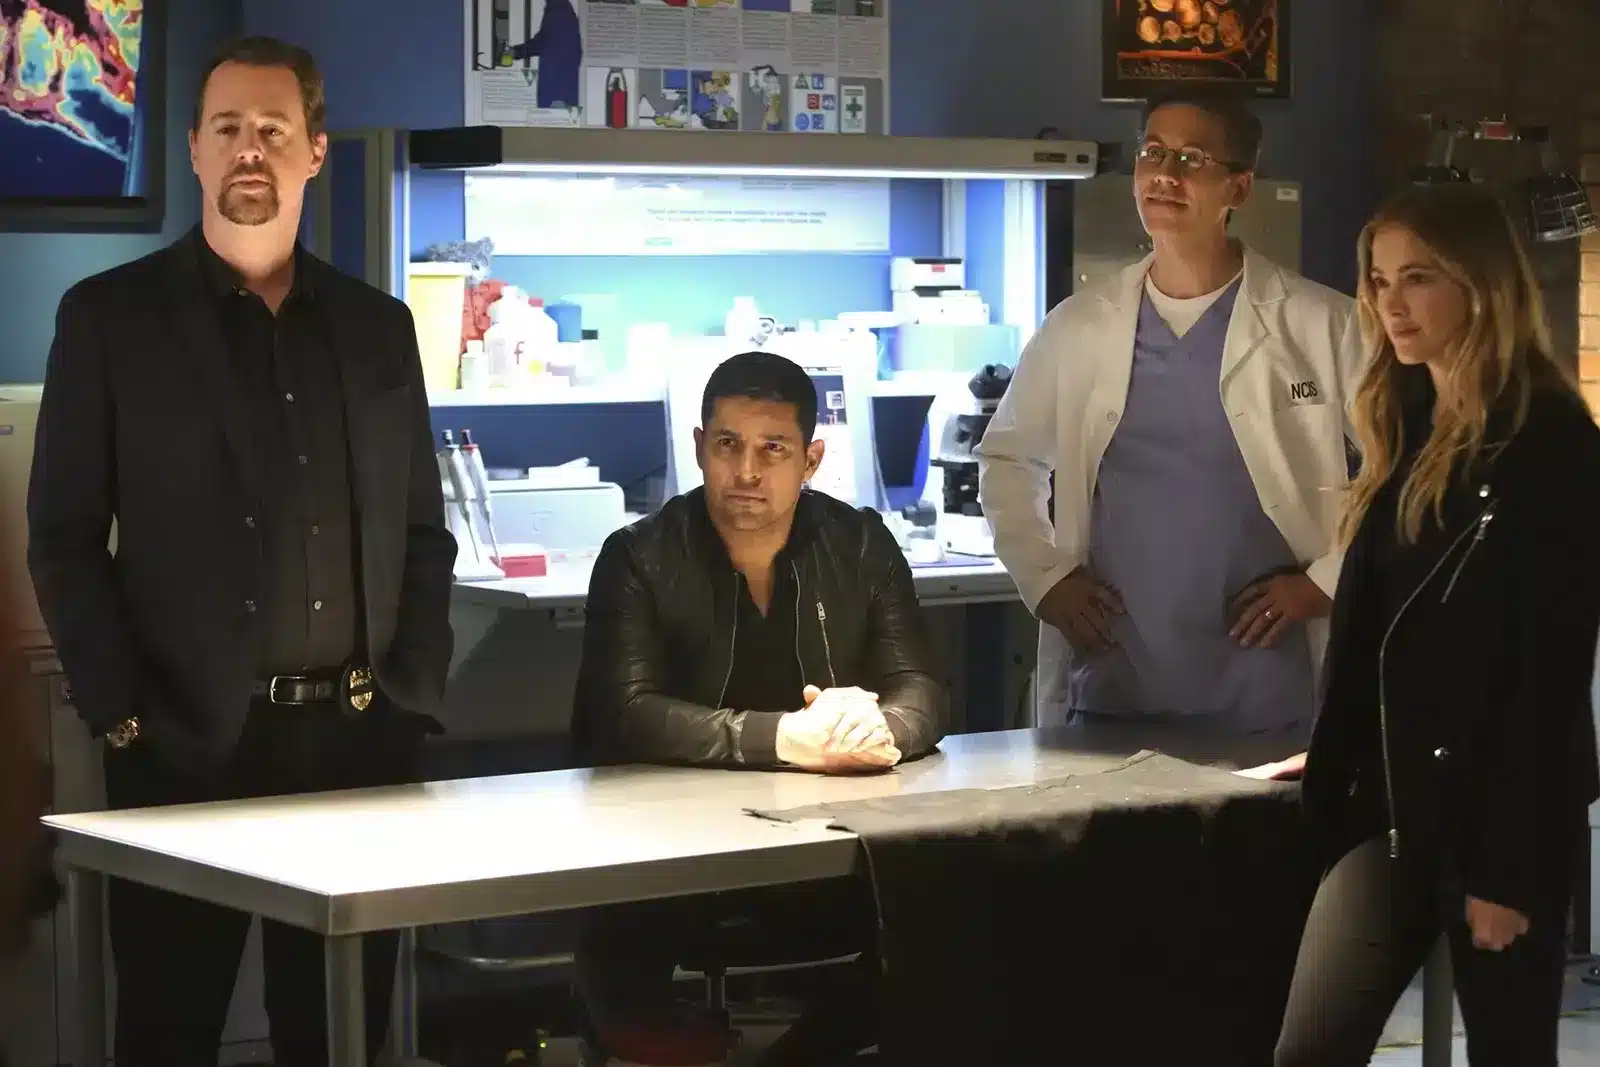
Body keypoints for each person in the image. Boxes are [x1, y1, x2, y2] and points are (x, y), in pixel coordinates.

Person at [26, 37, 456, 1067]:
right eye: (227, 129)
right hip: (183, 748)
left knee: (338, 1035)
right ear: (193, 150)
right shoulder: (110, 320)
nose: (248, 149)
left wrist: (412, 692)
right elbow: (64, 535)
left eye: (272, 128)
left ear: (315, 151)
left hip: (357, 743)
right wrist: (122, 712)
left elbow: (421, 533)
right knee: (168, 1030)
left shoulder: (379, 327)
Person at [1269, 184, 1600, 1066]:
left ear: (1479, 284)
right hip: (1387, 809)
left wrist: (1510, 871)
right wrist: (1342, 743)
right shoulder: (1405, 418)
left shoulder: (1554, 446)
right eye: (1380, 281)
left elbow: (1549, 680)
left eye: (1418, 278)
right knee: (1309, 1048)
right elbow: (1383, 628)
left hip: (1495, 817)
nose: (1391, 304)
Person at [571, 350, 946, 1066]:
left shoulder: (860, 543)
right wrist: (787, 738)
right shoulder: (638, 556)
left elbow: (921, 686)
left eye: (773, 449)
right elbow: (624, 712)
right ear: (699, 448)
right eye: (727, 444)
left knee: (954, 908)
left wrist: (878, 726)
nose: (746, 471)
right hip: (671, 857)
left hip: (829, 847)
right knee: (628, 962)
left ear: (811, 460)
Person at [976, 86, 1365, 765]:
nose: (1165, 175)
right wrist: (1046, 577)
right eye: (1152, 153)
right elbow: (1008, 460)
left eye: (1192, 159)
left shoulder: (1322, 324)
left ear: (1239, 187)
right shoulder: (1080, 325)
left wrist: (1325, 581)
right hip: (1114, 684)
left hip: (1265, 692)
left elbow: (1406, 465)